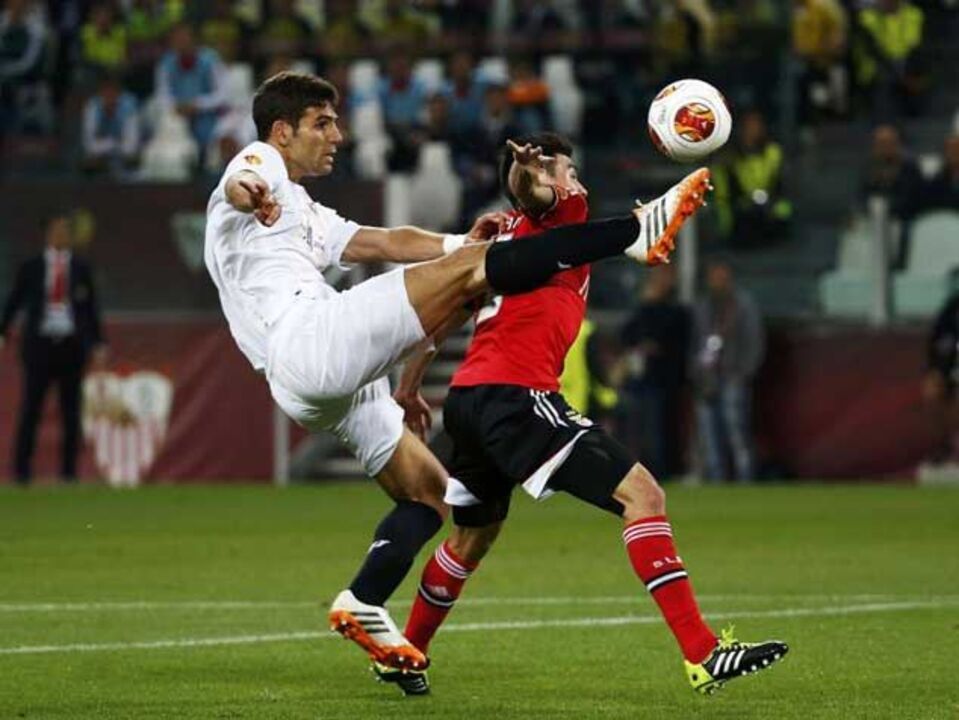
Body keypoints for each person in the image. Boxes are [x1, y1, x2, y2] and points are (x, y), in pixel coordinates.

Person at [203, 72, 711, 677]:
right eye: (323, 123)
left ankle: (363, 601)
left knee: (427, 492)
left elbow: (382, 241)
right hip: (311, 338)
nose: (337, 134)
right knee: (479, 271)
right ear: (282, 132)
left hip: (306, 386)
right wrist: (252, 191)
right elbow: (242, 180)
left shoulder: (305, 210)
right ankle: (634, 232)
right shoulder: (263, 165)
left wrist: (454, 241)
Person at [392, 133, 787, 696]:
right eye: (568, 169)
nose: (578, 180)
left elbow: (449, 312)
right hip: (516, 397)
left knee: (471, 539)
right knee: (643, 496)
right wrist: (529, 171)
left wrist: (410, 383)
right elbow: (536, 193)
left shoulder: (500, 238)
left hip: (469, 399)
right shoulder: (562, 217)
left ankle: (407, 652)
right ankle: (703, 654)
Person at [0, 210, 107, 484]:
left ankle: (68, 473)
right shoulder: (32, 267)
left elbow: (91, 307)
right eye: (57, 230)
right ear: (47, 234)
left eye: (65, 230)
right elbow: (14, 301)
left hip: (71, 345)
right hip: (39, 345)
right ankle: (21, 473)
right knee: (31, 408)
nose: (61, 235)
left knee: (71, 411)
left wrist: (97, 342)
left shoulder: (81, 268)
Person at [690, 259, 764, 483]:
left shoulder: (742, 305)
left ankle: (745, 476)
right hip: (707, 377)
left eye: (720, 275)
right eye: (713, 275)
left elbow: (754, 342)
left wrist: (743, 373)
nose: (717, 280)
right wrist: (696, 373)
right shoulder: (703, 307)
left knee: (737, 430)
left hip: (733, 376)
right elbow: (696, 343)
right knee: (709, 434)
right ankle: (716, 479)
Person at [620, 264, 690, 480]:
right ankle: (644, 470)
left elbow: (674, 341)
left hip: (664, 380)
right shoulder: (642, 310)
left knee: (659, 429)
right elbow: (627, 335)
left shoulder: (677, 312)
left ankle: (663, 471)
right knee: (640, 429)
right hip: (641, 380)